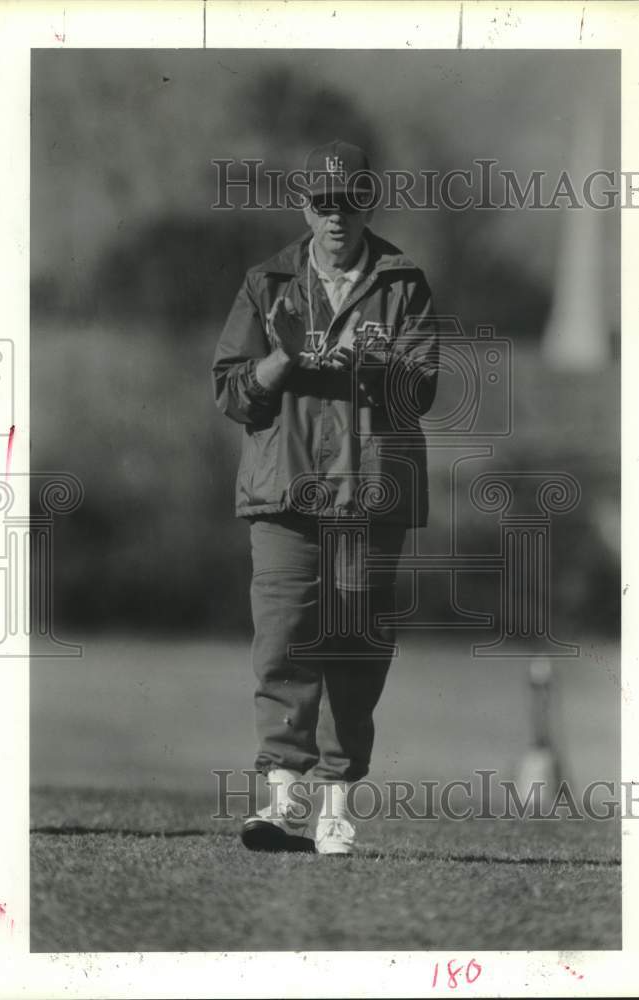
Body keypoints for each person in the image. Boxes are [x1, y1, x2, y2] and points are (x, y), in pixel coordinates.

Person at [212, 139, 439, 855]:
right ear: (304, 205)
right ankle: (282, 803)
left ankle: (337, 808)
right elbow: (229, 390)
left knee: (356, 647)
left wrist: (368, 366)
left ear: (369, 202)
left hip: (372, 490)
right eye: (323, 202)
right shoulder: (268, 281)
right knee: (280, 643)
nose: (337, 216)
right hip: (284, 491)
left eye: (351, 201)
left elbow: (423, 387)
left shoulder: (405, 283)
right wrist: (281, 361)